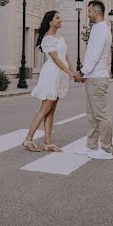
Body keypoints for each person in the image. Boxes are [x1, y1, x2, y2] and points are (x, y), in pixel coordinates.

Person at [23, 10, 76, 152]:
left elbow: (66, 58)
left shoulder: (60, 37)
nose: (60, 20)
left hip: (60, 75)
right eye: (57, 18)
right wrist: (70, 73)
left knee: (52, 110)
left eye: (60, 17)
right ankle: (28, 139)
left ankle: (48, 142)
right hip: (52, 75)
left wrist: (74, 71)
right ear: (50, 22)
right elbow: (56, 59)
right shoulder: (47, 38)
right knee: (45, 109)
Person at [75, 0, 113, 160]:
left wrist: (82, 72)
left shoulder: (101, 30)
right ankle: (91, 146)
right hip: (93, 76)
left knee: (101, 114)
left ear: (96, 12)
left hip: (97, 77)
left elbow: (94, 55)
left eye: (89, 11)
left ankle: (106, 150)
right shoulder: (98, 29)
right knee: (91, 114)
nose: (88, 14)